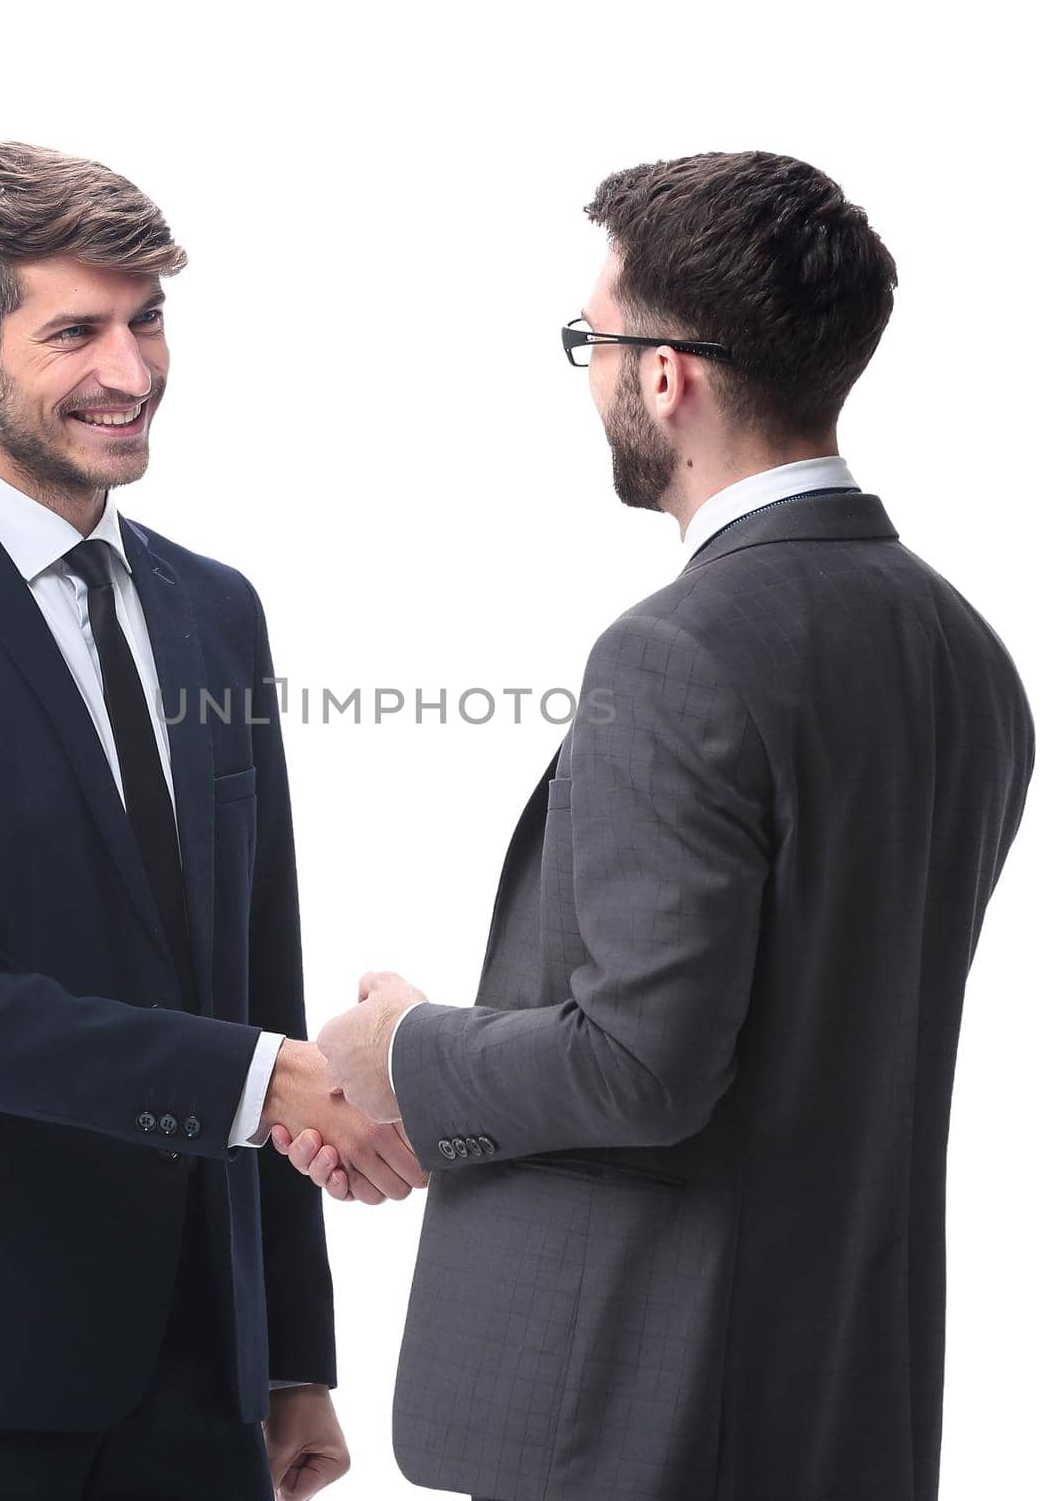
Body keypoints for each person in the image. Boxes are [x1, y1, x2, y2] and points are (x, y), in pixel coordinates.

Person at [272, 150, 1037, 1501]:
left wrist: (402, 1050)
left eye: (593, 341)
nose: (590, 377)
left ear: (665, 373)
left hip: (647, 1416)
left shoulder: (679, 650)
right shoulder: (964, 654)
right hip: (841, 1407)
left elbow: (646, 1067)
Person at [0, 138, 424, 1501]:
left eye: (147, 321)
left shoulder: (213, 609)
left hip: (201, 1374)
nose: (130, 374)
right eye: (75, 332)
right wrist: (268, 1080)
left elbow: (254, 969)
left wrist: (290, 1354)